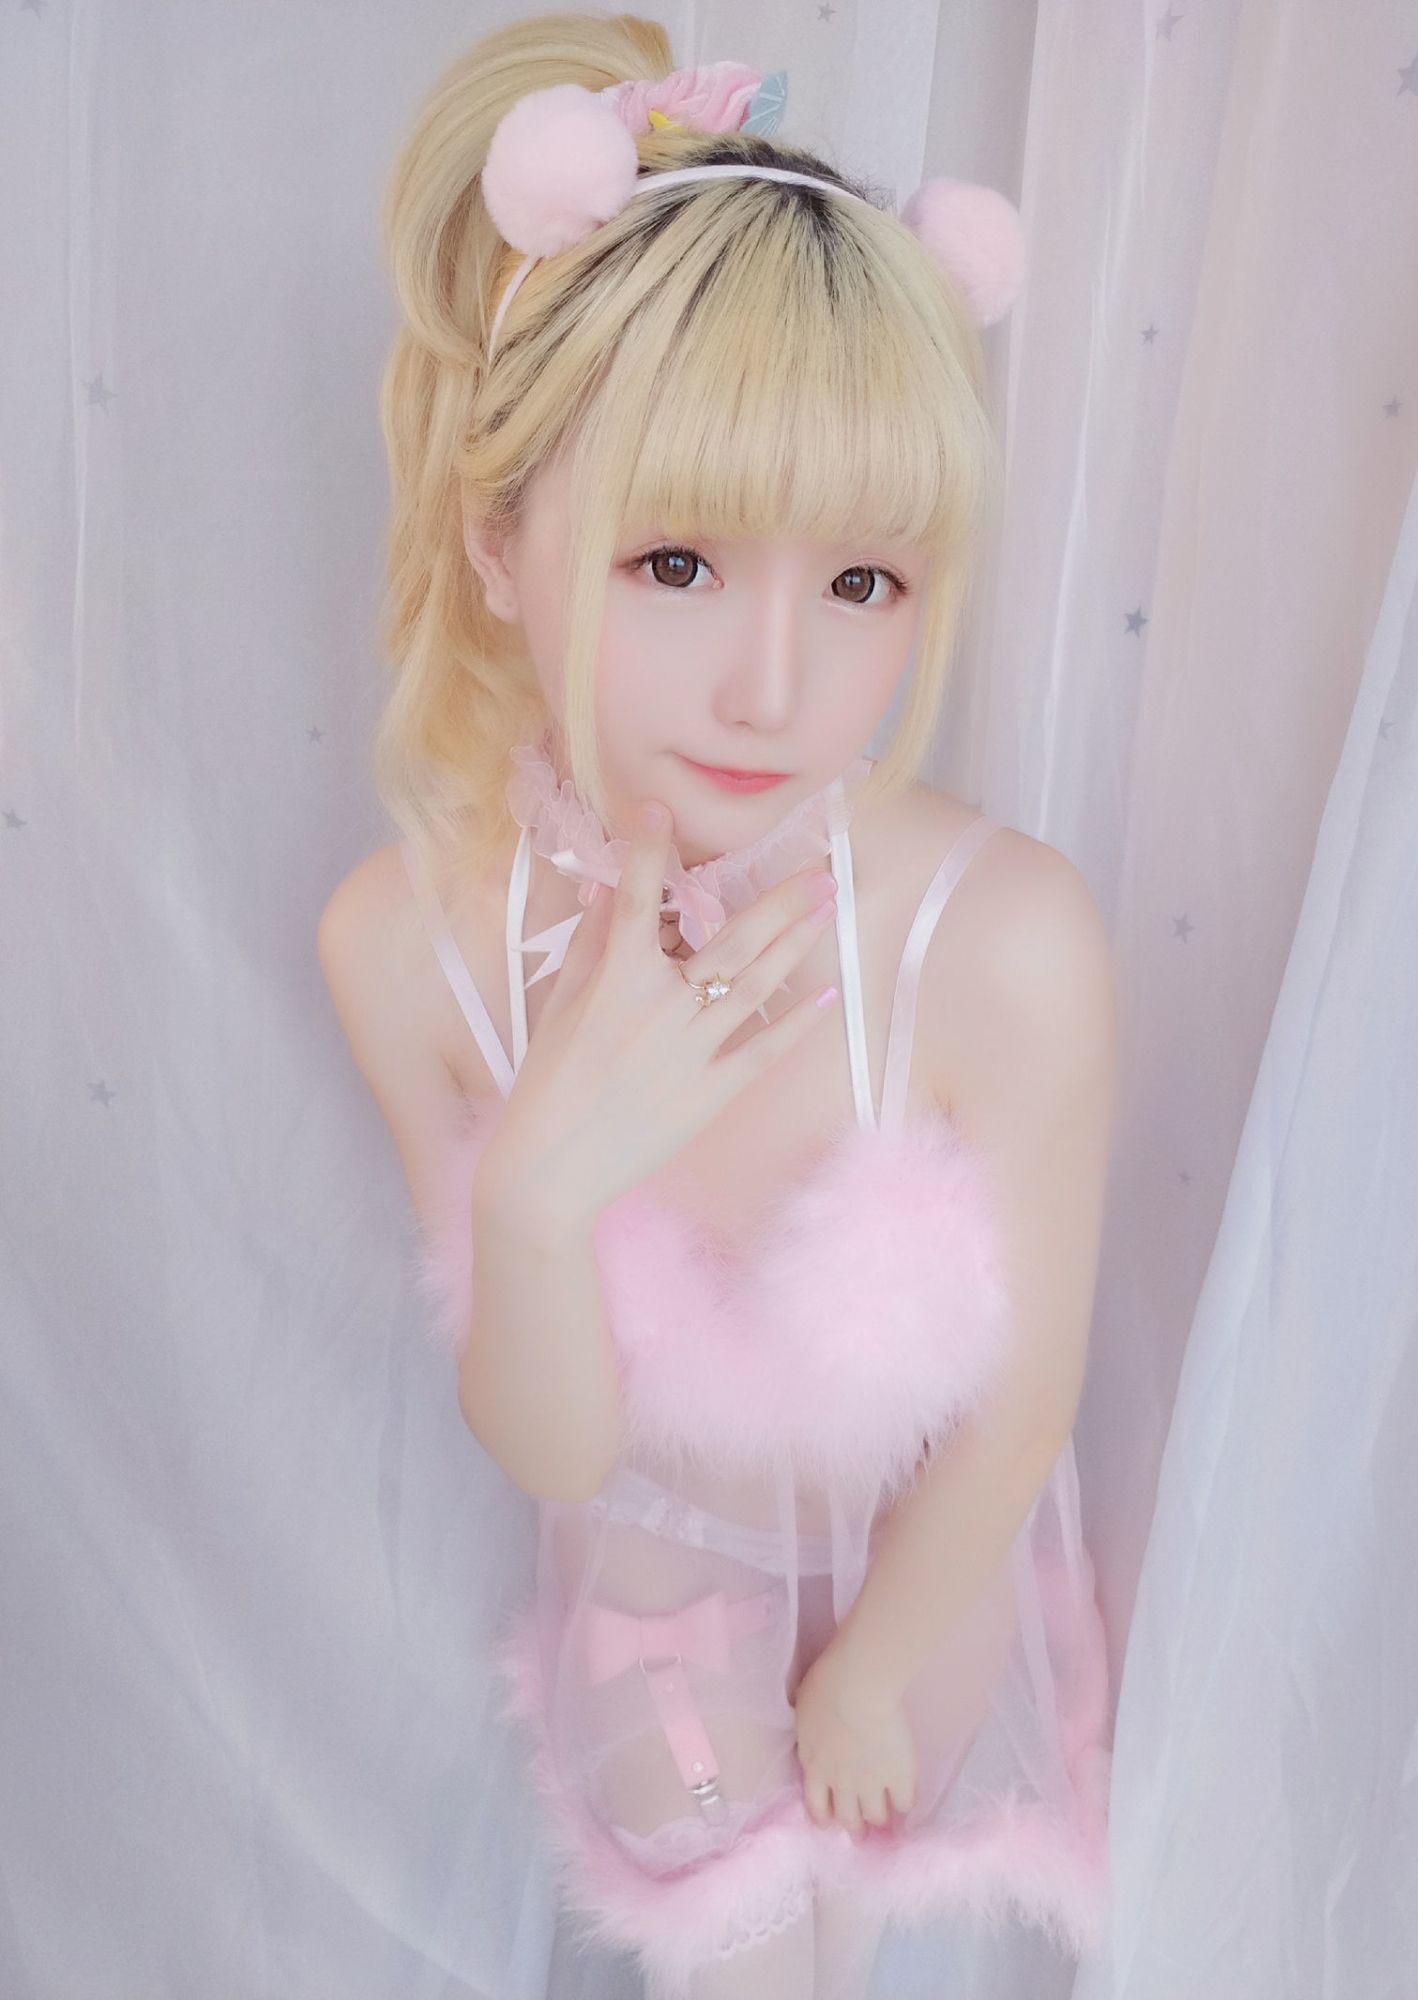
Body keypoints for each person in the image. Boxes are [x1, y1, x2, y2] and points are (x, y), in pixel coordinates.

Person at [319, 14, 1117, 1998]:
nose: (776, 686)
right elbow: (557, 1449)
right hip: (650, 1584)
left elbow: (1022, 1399)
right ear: (497, 545)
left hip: (927, 1586)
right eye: (676, 561)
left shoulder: (1003, 941)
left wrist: (872, 1665)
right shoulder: (404, 944)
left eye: (862, 584)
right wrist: (540, 1193)